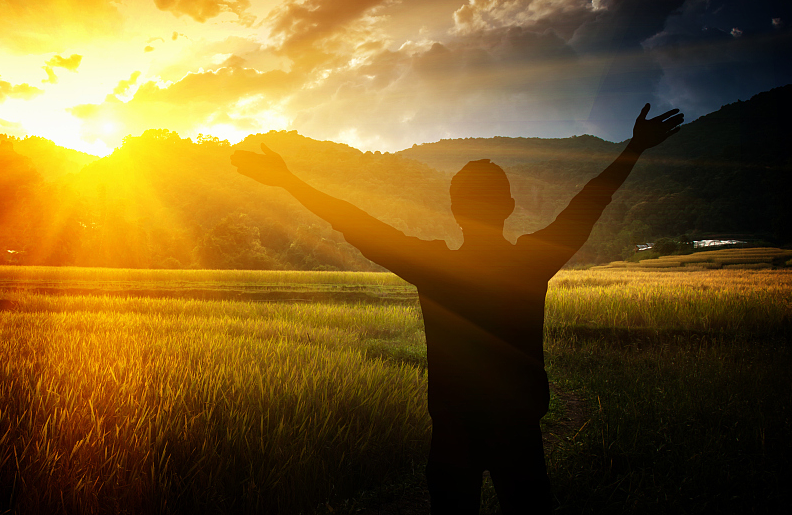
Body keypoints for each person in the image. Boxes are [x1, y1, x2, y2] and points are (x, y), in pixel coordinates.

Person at [230, 104, 684, 514]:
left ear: (454, 208)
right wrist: (633, 149)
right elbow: (588, 204)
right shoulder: (530, 262)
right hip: (518, 431)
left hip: (453, 433)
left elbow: (354, 223)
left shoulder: (437, 268)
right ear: (508, 206)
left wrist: (288, 179)